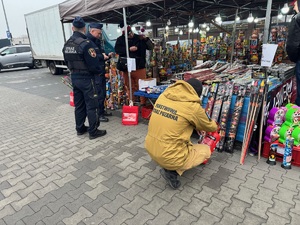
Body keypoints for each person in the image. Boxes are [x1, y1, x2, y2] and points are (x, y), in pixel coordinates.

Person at [144, 78, 218, 189]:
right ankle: (172, 172)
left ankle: (169, 164)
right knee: (205, 150)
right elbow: (210, 126)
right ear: (196, 93)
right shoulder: (192, 107)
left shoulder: (164, 96)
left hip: (151, 148)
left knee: (180, 135)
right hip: (169, 156)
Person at [62, 16, 106, 140]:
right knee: (92, 104)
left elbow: (66, 61)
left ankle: (80, 128)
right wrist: (98, 72)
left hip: (75, 77)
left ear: (72, 28)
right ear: (84, 28)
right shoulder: (85, 44)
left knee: (79, 105)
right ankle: (93, 130)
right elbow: (93, 65)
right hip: (87, 78)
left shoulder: (67, 44)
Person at [115, 25, 154, 105]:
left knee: (142, 86)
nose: (130, 35)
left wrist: (146, 39)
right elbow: (117, 50)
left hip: (139, 66)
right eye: (127, 33)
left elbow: (151, 47)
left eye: (130, 32)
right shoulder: (120, 39)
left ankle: (143, 103)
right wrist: (128, 49)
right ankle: (132, 103)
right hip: (127, 68)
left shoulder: (140, 38)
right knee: (130, 87)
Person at [86, 22, 113, 122]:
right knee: (98, 94)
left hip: (100, 71)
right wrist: (102, 56)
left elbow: (99, 53)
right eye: (98, 33)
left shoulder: (96, 41)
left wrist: (107, 55)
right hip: (95, 73)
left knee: (103, 93)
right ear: (92, 31)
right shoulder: (88, 42)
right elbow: (92, 57)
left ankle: (102, 110)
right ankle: (99, 114)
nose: (99, 35)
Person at [286, 0, 300, 106]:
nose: (294, 8)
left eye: (295, 5)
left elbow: (292, 44)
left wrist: (294, 58)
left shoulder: (297, 18)